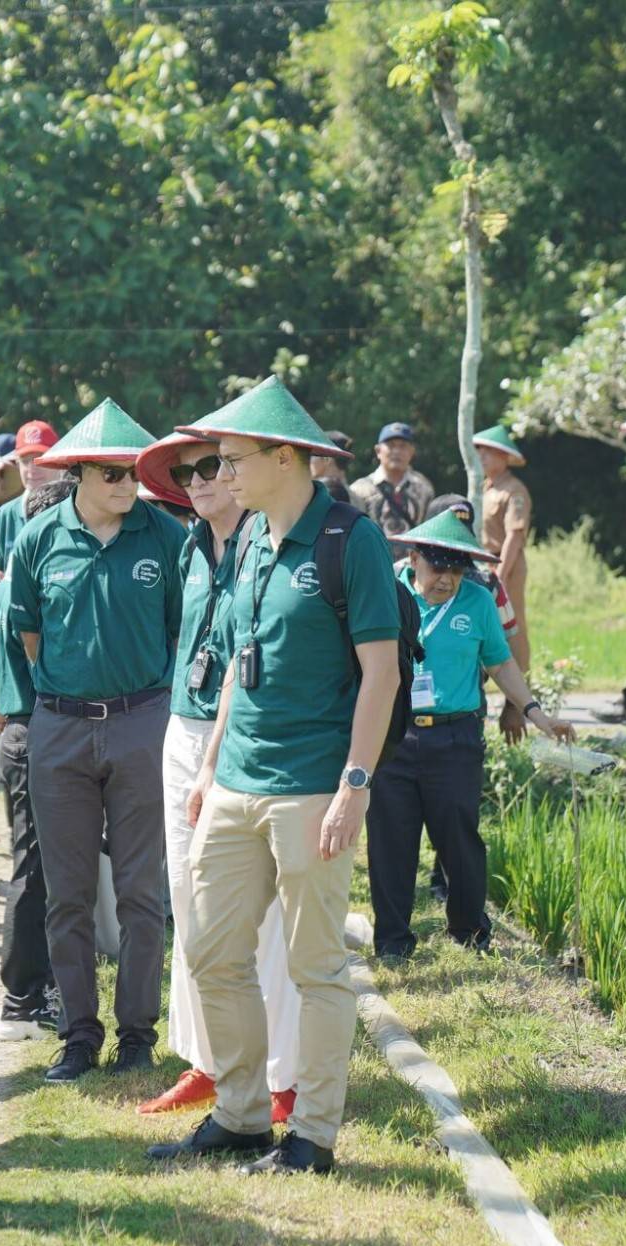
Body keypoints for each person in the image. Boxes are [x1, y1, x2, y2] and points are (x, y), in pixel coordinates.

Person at [148, 375, 391, 1177]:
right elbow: (233, 666)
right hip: (234, 783)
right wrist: (212, 765)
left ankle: (313, 1137)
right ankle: (243, 1117)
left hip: (313, 786)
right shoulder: (248, 538)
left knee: (314, 964)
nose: (219, 473)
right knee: (213, 952)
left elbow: (381, 674)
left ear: (286, 458)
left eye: (232, 458)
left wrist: (355, 785)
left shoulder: (349, 540)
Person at [6, 399, 185, 1083]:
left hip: (143, 721)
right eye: (111, 473)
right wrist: (66, 692)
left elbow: (178, 630)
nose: (126, 483)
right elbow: (27, 633)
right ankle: (79, 1034)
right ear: (78, 473)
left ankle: (136, 1034)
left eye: (133, 471)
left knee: (143, 892)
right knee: (67, 893)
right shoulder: (39, 539)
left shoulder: (165, 538)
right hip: (60, 726)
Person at [133, 429, 302, 1125]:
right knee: (189, 899)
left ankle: (280, 1074)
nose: (199, 481)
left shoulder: (270, 544)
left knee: (261, 914)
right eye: (188, 472)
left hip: (247, 735)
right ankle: (207, 1060)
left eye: (212, 466)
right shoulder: (190, 547)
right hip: (185, 725)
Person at [364, 508, 575, 961]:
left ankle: (470, 932)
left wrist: (537, 714)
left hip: (454, 739)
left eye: (458, 570)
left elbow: (499, 663)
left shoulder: (477, 602)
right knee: (390, 840)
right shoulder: (386, 589)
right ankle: (393, 942)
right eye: (439, 567)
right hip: (391, 735)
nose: (448, 580)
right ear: (415, 557)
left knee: (459, 838)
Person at [0, 475, 77, 1040]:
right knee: (36, 870)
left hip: (25, 730)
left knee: (47, 867)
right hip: (33, 731)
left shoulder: (18, 582)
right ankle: (22, 997)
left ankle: (43, 986)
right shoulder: (28, 586)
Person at [474, 425, 533, 673]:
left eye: (489, 452)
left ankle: (522, 683)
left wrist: (501, 575)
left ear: (505, 457)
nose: (482, 457)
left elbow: (515, 535)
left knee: (512, 622)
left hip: (505, 562)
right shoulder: (484, 488)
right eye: (480, 451)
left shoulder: (514, 490)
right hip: (483, 561)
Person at [0, 419, 60, 576]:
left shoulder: (76, 511)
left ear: (58, 461)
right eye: (25, 461)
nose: (32, 469)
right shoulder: (3, 517)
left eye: (40, 459)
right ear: (17, 465)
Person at [348, 420, 432, 540]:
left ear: (412, 451)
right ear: (378, 451)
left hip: (413, 557)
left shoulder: (424, 488)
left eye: (403, 446)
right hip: (372, 557)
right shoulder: (359, 490)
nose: (397, 451)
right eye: (391, 445)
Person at [311, 435, 353, 503]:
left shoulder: (316, 495)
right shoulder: (356, 496)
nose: (309, 461)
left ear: (327, 459)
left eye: (313, 455)